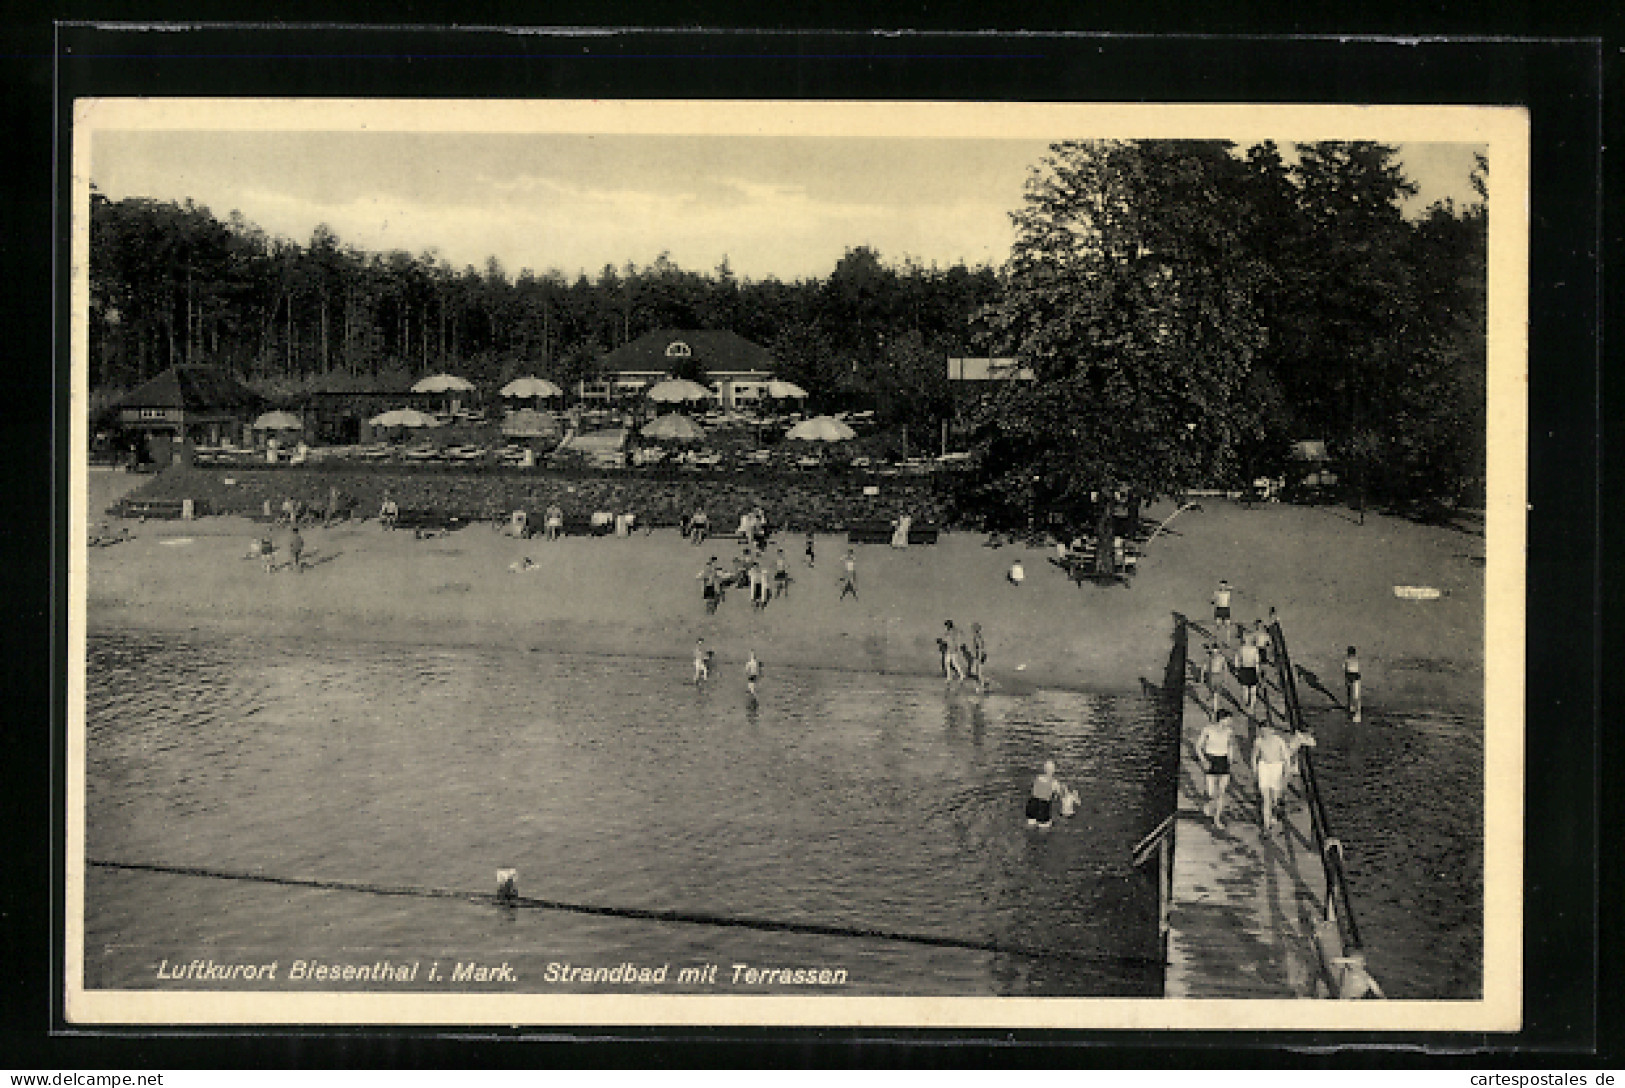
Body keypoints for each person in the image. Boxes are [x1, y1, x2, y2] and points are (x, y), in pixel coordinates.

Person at [1195, 711, 1239, 829]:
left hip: (1223, 760)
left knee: (1221, 792)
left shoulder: (1229, 732)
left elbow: (1230, 745)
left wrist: (1230, 758)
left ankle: (1217, 819)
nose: (1230, 722)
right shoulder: (1208, 730)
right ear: (1222, 719)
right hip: (1211, 759)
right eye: (1228, 719)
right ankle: (1210, 804)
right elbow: (1198, 746)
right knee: (1211, 792)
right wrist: (1203, 760)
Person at [1252, 722, 1294, 834]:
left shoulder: (1279, 741)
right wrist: (1255, 769)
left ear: (1272, 730)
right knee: (1266, 799)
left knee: (1275, 798)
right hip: (1263, 767)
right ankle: (1266, 826)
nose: (1264, 733)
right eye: (1262, 731)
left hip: (1276, 767)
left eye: (1267, 730)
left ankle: (1275, 813)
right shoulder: (1258, 741)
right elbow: (1254, 756)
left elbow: (1286, 757)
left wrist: (1287, 771)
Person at [1026, 760, 1064, 829]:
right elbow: (1060, 795)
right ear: (1053, 770)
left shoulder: (1038, 778)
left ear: (1044, 769)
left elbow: (1033, 790)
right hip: (1043, 806)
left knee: (1030, 824)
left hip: (1032, 803)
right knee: (1043, 828)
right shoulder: (1054, 782)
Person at [1235, 629, 1262, 711]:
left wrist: (1237, 669)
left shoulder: (1241, 649)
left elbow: (1237, 660)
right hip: (1252, 669)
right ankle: (1252, 706)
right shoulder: (1254, 649)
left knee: (1245, 689)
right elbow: (1257, 662)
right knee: (1253, 690)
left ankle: (1246, 703)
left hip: (1244, 669)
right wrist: (1258, 672)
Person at [1203, 642, 1229, 718]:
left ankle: (1213, 711)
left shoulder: (1209, 657)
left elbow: (1204, 668)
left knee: (1212, 693)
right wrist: (1225, 679)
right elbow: (1225, 669)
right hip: (1218, 676)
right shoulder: (1222, 658)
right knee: (1216, 695)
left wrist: (1202, 677)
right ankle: (1214, 710)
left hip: (1211, 676)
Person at [1344, 645, 1362, 722]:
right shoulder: (1352, 660)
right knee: (1353, 695)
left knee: (1354, 696)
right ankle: (1353, 711)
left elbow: (1347, 670)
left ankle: (1355, 712)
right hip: (1353, 677)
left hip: (1354, 678)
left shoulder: (1349, 660)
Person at [971, 624, 987, 692]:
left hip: (978, 656)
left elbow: (979, 647)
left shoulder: (977, 637)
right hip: (978, 655)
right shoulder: (978, 637)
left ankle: (981, 685)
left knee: (977, 672)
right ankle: (982, 685)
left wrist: (978, 657)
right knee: (977, 671)